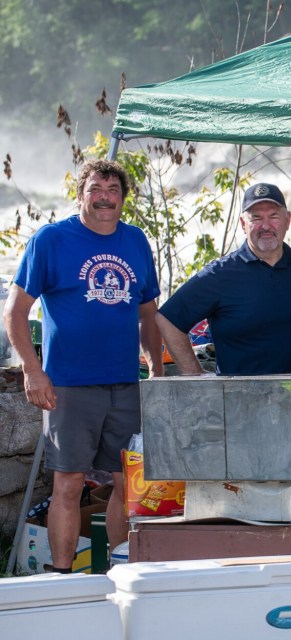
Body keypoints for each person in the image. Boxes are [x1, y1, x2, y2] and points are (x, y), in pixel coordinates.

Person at [3, 159, 163, 572]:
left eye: (113, 190)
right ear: (81, 194)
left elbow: (148, 313)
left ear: (123, 199)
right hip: (70, 386)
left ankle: (119, 569)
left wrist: (157, 371)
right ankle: (62, 574)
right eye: (96, 188)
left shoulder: (136, 241)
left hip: (125, 384)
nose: (105, 197)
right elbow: (15, 312)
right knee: (69, 482)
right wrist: (32, 370)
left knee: (129, 483)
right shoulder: (52, 240)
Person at [156, 183, 291, 375]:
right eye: (256, 218)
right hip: (241, 401)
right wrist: (197, 377)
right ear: (243, 224)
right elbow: (167, 320)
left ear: (288, 220)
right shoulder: (220, 274)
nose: (266, 226)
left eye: (274, 216)